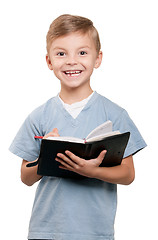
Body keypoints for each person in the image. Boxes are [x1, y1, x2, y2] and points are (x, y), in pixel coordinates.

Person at [9, 14, 147, 240]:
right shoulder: (39, 116)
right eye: (61, 53)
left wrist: (91, 171)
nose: (72, 61)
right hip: (46, 231)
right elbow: (26, 178)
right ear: (49, 61)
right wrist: (47, 154)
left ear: (98, 58)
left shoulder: (115, 115)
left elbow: (128, 174)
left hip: (94, 232)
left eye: (82, 52)